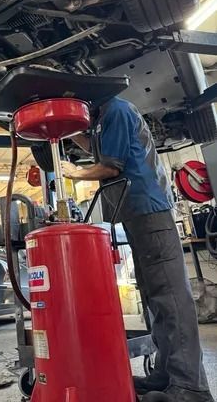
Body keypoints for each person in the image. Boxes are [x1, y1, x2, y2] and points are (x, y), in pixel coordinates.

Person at [61, 96, 214, 402]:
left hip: (149, 211)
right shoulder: (105, 116)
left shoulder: (116, 109)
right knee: (155, 299)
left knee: (171, 298)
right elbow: (100, 150)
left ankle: (190, 386)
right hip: (136, 214)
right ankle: (165, 374)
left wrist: (73, 172)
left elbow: (110, 167)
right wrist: (68, 131)